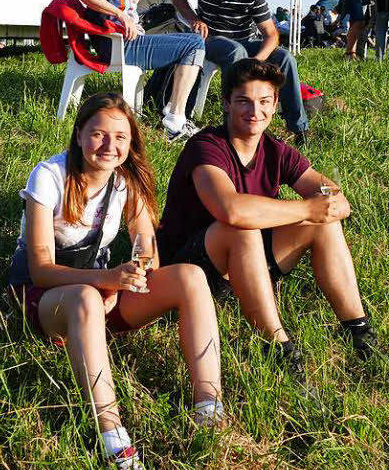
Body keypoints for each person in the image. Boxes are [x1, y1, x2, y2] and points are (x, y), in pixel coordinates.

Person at [7, 93, 224, 470]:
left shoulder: (128, 181)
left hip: (101, 291)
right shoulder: (49, 176)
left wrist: (133, 276)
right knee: (86, 298)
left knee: (191, 275)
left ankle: (209, 406)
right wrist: (104, 283)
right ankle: (113, 437)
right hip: (46, 298)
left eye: (120, 137)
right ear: (78, 135)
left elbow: (147, 252)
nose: (110, 146)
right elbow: (39, 271)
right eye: (98, 134)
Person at [157, 59, 377, 377]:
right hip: (191, 269)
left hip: (249, 265)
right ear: (227, 103)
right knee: (241, 227)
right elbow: (230, 209)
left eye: (263, 102)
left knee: (324, 224)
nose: (254, 111)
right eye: (244, 101)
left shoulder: (276, 150)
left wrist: (328, 205)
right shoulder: (206, 147)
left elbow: (333, 196)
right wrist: (307, 209)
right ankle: (278, 346)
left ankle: (358, 330)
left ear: (275, 105)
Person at [172, 0, 311, 145]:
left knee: (285, 57)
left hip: (246, 40)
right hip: (211, 40)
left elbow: (271, 35)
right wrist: (194, 19)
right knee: (234, 52)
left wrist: (256, 61)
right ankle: (232, 126)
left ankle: (299, 128)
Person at [77, 0, 205, 141]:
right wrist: (120, 16)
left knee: (193, 42)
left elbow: (124, 10)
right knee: (194, 43)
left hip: (122, 41)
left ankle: (175, 114)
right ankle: (175, 119)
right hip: (119, 46)